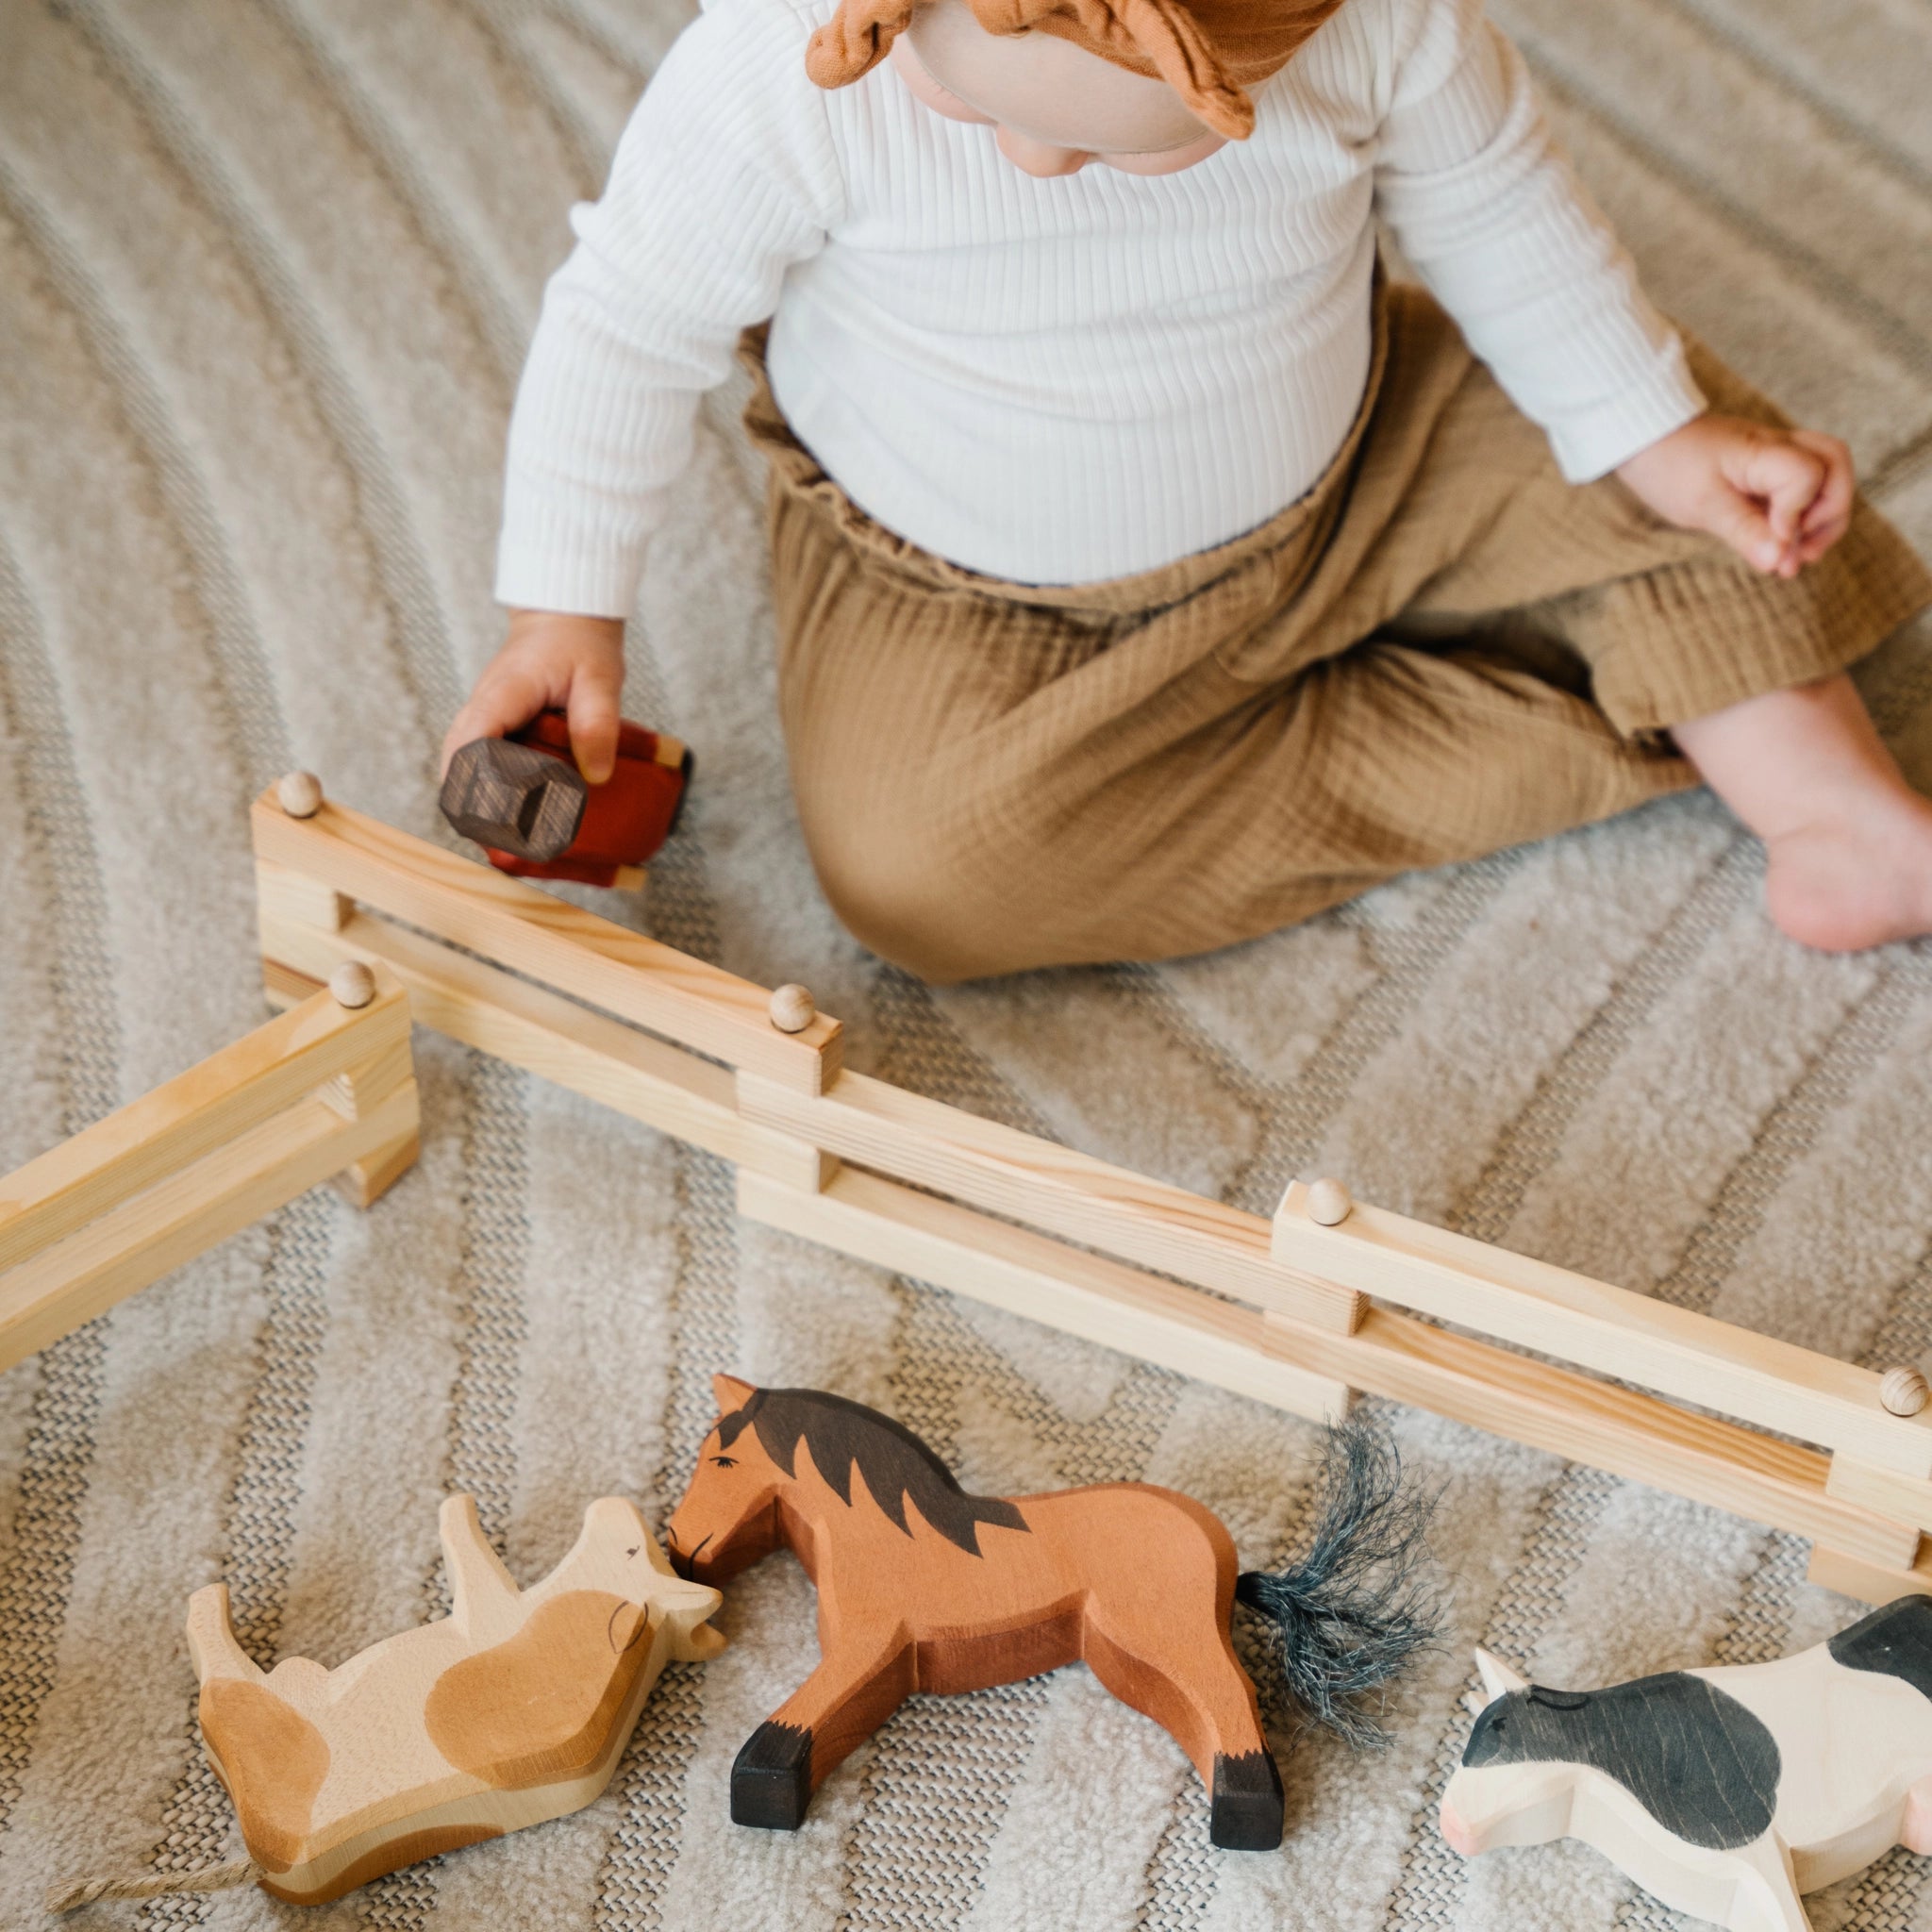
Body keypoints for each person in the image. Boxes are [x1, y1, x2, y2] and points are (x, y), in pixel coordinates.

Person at [443, 0, 1932, 983]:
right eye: (985, 109)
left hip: (1361, 463)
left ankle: (1842, 815)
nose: (1033, 160)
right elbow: (630, 317)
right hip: (958, 594)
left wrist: (1647, 433)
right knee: (919, 880)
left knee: (1723, 494)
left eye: (1105, 142)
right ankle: (1615, 717)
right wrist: (563, 604)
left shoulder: (1378, 23)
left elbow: (1496, 206)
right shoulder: (789, 64)